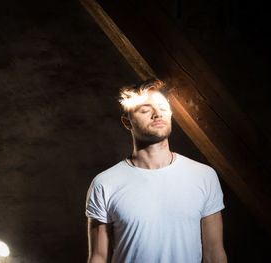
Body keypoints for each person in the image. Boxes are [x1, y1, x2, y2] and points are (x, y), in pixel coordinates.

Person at [85, 79, 227, 263]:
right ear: (127, 122)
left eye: (162, 107)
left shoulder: (204, 176)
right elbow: (98, 257)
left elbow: (214, 254)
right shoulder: (105, 183)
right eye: (145, 110)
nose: (157, 114)